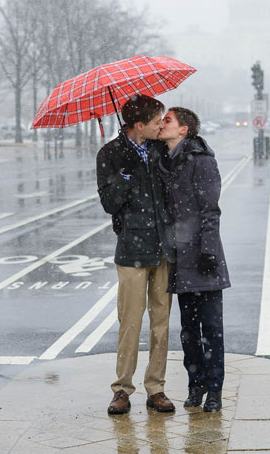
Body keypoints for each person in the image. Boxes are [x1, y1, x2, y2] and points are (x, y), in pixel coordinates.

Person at [96, 94, 176, 414]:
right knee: (129, 322)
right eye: (157, 122)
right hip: (131, 249)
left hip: (163, 248)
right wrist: (126, 176)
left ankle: (156, 387)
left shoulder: (161, 149)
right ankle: (122, 389)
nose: (162, 126)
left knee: (161, 321)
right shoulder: (111, 154)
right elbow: (109, 204)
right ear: (139, 126)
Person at [158, 107, 231, 412]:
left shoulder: (201, 160)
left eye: (167, 121)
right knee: (188, 331)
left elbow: (210, 210)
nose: (162, 124)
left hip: (203, 257)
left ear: (183, 129)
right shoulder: (162, 159)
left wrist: (209, 251)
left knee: (211, 329)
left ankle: (214, 390)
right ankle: (195, 385)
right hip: (179, 257)